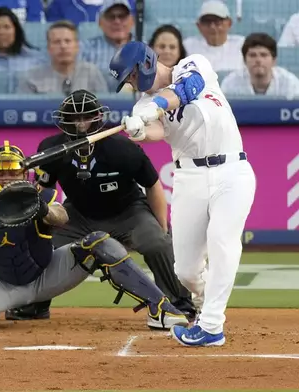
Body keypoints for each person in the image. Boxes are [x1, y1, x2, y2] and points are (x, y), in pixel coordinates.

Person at [0, 140, 189, 331]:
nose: (7, 178)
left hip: (48, 275)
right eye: (1, 172)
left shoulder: (41, 197)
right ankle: (13, 309)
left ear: (25, 174)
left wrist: (40, 209)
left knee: (99, 241)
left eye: (13, 172)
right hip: (3, 285)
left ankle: (161, 308)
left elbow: (61, 217)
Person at [5, 89, 195, 330]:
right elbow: (44, 190)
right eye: (74, 118)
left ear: (97, 117)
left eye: (86, 116)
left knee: (158, 243)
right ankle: (35, 303)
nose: (80, 123)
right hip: (78, 214)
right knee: (41, 245)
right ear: (63, 120)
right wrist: (38, 219)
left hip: (128, 212)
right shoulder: (51, 149)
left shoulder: (122, 149)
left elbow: (153, 185)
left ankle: (179, 303)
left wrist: (162, 227)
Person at [109, 41, 256, 346]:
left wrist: (156, 106)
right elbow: (158, 132)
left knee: (222, 241)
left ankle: (213, 326)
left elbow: (190, 87)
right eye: (129, 81)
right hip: (189, 176)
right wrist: (139, 132)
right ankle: (207, 305)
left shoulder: (192, 64)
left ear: (145, 62)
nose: (133, 83)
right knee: (186, 270)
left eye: (133, 75)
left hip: (231, 169)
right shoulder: (142, 105)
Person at [221, 32, 299, 98]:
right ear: (244, 60)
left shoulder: (289, 83)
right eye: (252, 55)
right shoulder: (230, 83)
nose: (258, 60)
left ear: (274, 60)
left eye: (264, 55)